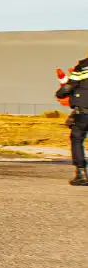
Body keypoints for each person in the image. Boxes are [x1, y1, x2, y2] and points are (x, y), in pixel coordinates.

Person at [56, 54, 88, 185]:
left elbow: (69, 86)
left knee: (77, 138)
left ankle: (81, 173)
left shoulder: (83, 66)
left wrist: (60, 94)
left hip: (84, 111)